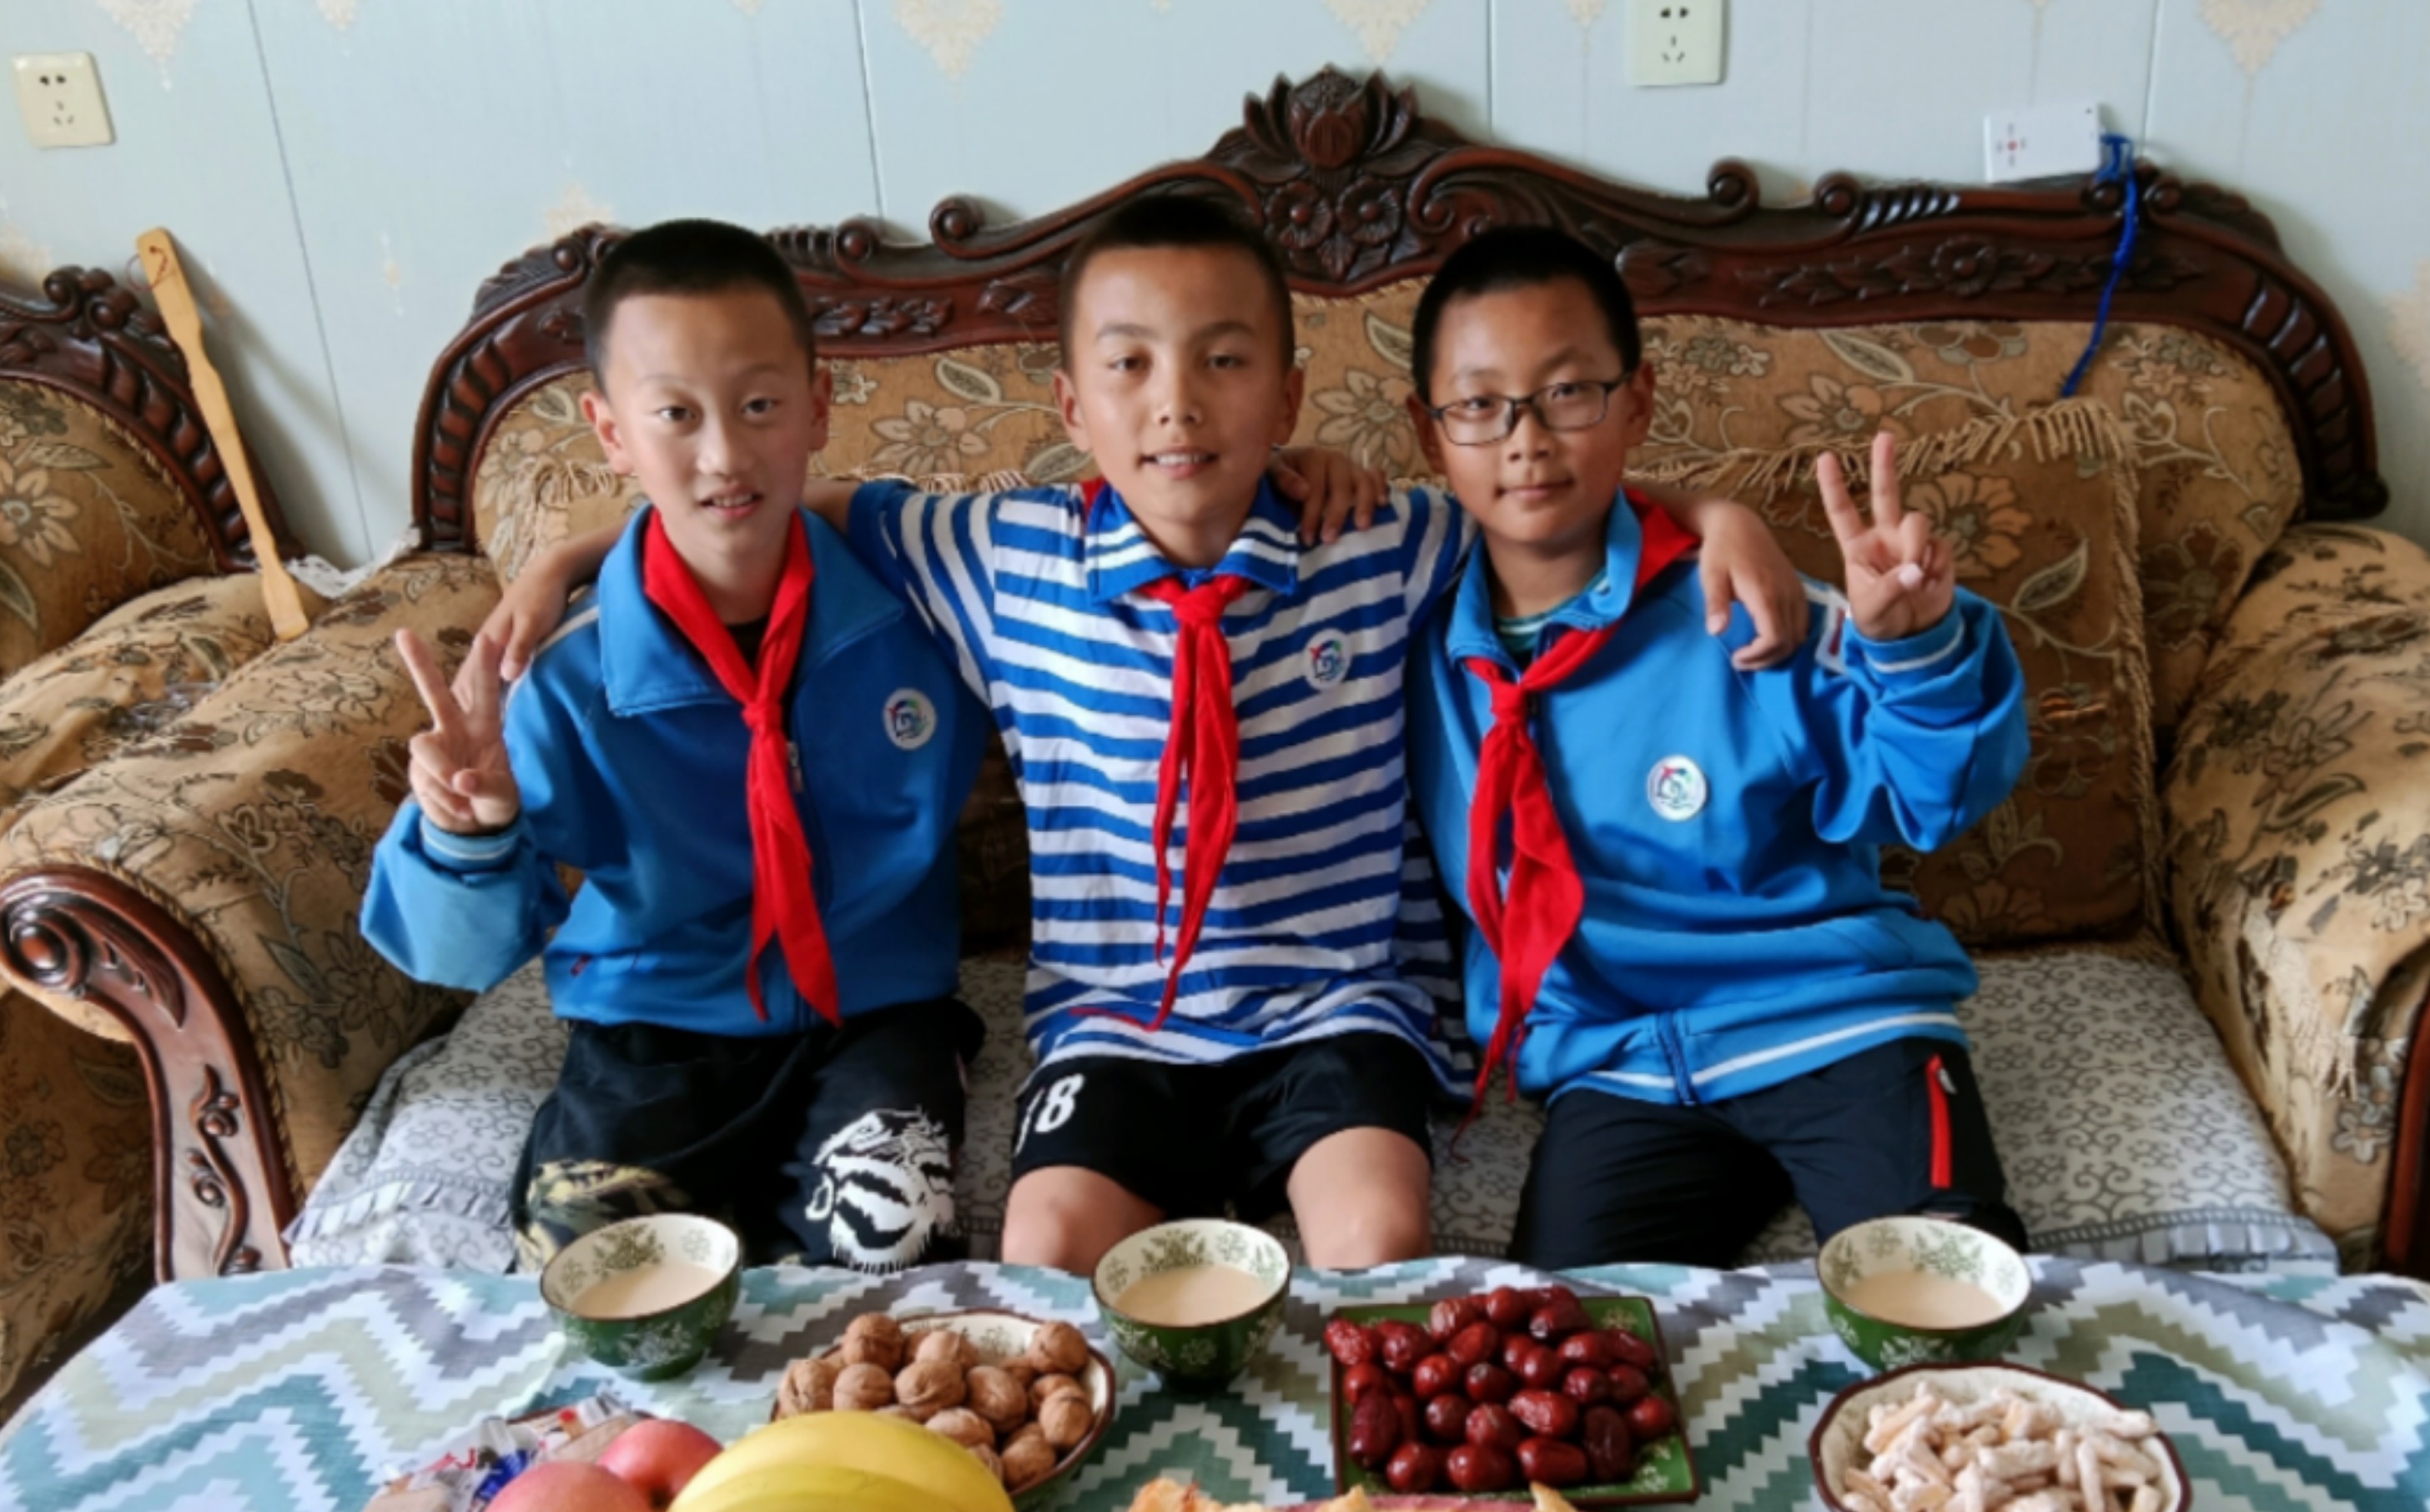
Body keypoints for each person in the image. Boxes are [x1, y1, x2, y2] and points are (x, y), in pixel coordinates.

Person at [491, 197, 1806, 1275]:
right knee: (1043, 1252)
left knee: (1377, 1241)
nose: (1177, 404)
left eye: (1223, 362)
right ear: (1073, 405)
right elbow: (774, 503)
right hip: (1116, 1020)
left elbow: (1542, 502)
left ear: (1286, 397)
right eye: (1130, 365)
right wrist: (572, 555)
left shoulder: (1380, 541)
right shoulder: (1000, 556)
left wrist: (1714, 515)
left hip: (1335, 1006)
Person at [360, 219, 989, 1273]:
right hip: (652, 1027)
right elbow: (456, 958)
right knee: (592, 1266)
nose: (725, 454)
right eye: (676, 415)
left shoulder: (922, 607)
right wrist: (467, 829)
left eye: (759, 406)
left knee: (895, 1238)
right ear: (611, 432)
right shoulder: (570, 673)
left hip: (878, 1014)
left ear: (817, 405)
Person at [1401, 225, 2034, 1269]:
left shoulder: (1746, 608)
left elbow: (1928, 797)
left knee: (1944, 1291)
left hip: (1837, 1023)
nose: (1526, 439)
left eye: (1569, 392)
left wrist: (1913, 647)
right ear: (1430, 435)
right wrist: (1709, 506)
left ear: (1638, 400)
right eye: (1479, 404)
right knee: (1570, 1339)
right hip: (1621, 1071)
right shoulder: (1407, 624)